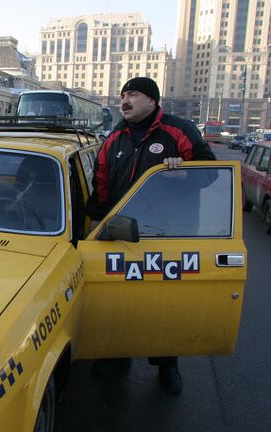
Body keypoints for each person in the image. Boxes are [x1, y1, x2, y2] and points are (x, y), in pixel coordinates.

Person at [86, 77, 216, 394]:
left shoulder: (179, 131)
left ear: (152, 101)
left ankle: (167, 364)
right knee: (118, 298)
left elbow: (211, 169)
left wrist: (185, 170)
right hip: (122, 233)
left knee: (164, 302)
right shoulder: (114, 137)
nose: (124, 101)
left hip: (169, 234)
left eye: (132, 95)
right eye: (122, 96)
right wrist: (96, 227)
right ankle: (117, 356)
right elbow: (102, 184)